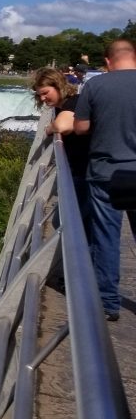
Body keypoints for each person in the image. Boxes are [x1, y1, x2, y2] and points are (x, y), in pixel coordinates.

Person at [74, 38, 136, 321]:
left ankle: (109, 304)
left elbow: (81, 127)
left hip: (105, 173)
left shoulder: (95, 85)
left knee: (106, 238)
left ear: (108, 61)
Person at [32, 67, 91, 233]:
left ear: (58, 86)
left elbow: (61, 125)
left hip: (87, 174)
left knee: (67, 223)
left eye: (45, 92)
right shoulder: (62, 106)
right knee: (80, 226)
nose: (42, 98)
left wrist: (50, 129)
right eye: (39, 95)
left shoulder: (74, 102)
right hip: (79, 172)